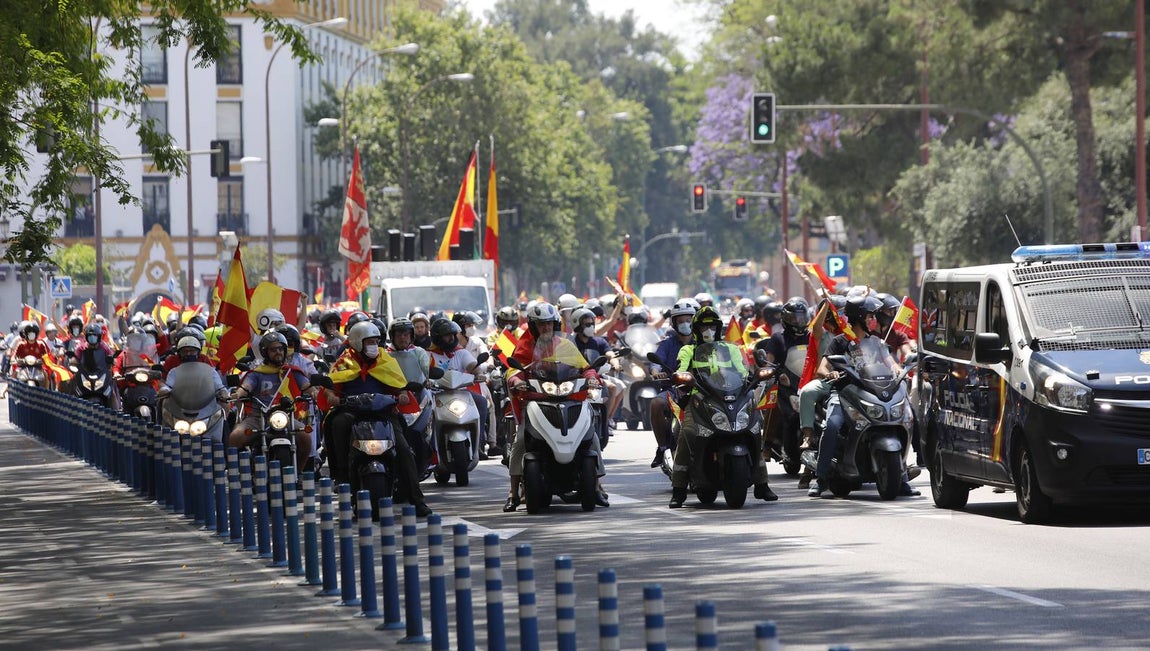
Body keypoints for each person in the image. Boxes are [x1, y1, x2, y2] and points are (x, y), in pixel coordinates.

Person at [807, 295, 919, 498]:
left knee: (905, 418)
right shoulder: (840, 341)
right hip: (843, 393)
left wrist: (898, 370)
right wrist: (830, 373)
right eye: (869, 316)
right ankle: (820, 478)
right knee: (832, 426)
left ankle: (901, 477)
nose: (872, 320)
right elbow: (821, 369)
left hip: (871, 392)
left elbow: (890, 361)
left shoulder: (875, 342)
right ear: (858, 317)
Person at [667, 306, 776, 507]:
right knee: (687, 435)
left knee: (754, 430)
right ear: (696, 330)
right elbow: (681, 370)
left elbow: (743, 371)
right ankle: (679, 489)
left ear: (718, 329)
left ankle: (762, 483)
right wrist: (682, 377)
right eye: (703, 328)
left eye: (712, 327)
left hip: (732, 397)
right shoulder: (688, 350)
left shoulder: (731, 349)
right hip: (700, 399)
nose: (708, 332)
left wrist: (753, 377)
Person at [503, 302, 607, 512]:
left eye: (549, 324)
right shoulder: (525, 346)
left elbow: (584, 368)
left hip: (568, 399)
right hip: (536, 400)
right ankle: (513, 493)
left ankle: (596, 486)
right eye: (541, 324)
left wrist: (592, 378)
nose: (546, 328)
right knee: (520, 440)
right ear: (533, 326)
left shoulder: (565, 345)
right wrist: (516, 381)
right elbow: (513, 372)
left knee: (591, 436)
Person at [321, 321, 432, 517]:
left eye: (376, 341)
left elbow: (400, 385)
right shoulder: (344, 361)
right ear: (356, 343)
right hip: (352, 413)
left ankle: (417, 499)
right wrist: (333, 397)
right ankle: (342, 475)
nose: (374, 345)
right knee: (337, 423)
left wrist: (403, 395)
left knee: (405, 450)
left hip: (383, 413)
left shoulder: (386, 359)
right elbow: (331, 388)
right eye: (369, 342)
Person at [228, 331, 315, 471]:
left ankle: (298, 473)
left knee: (306, 438)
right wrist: (236, 395)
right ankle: (235, 472)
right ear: (265, 352)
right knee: (235, 437)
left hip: (285, 416)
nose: (278, 352)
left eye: (281, 349)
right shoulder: (257, 373)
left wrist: (316, 393)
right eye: (274, 350)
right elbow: (246, 387)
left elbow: (307, 386)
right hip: (259, 416)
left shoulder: (291, 371)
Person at [648, 300, 696, 468]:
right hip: (673, 391)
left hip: (700, 391)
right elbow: (655, 364)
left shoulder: (702, 343)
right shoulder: (667, 344)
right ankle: (662, 448)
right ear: (674, 324)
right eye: (680, 321)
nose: (685, 324)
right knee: (656, 403)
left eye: (688, 320)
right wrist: (656, 372)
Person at [569, 307, 625, 435]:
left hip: (596, 378)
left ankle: (606, 421)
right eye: (587, 324)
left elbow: (610, 354)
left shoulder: (598, 342)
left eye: (592, 324)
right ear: (577, 325)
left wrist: (615, 363)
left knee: (612, 387)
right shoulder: (570, 343)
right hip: (575, 379)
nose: (591, 327)